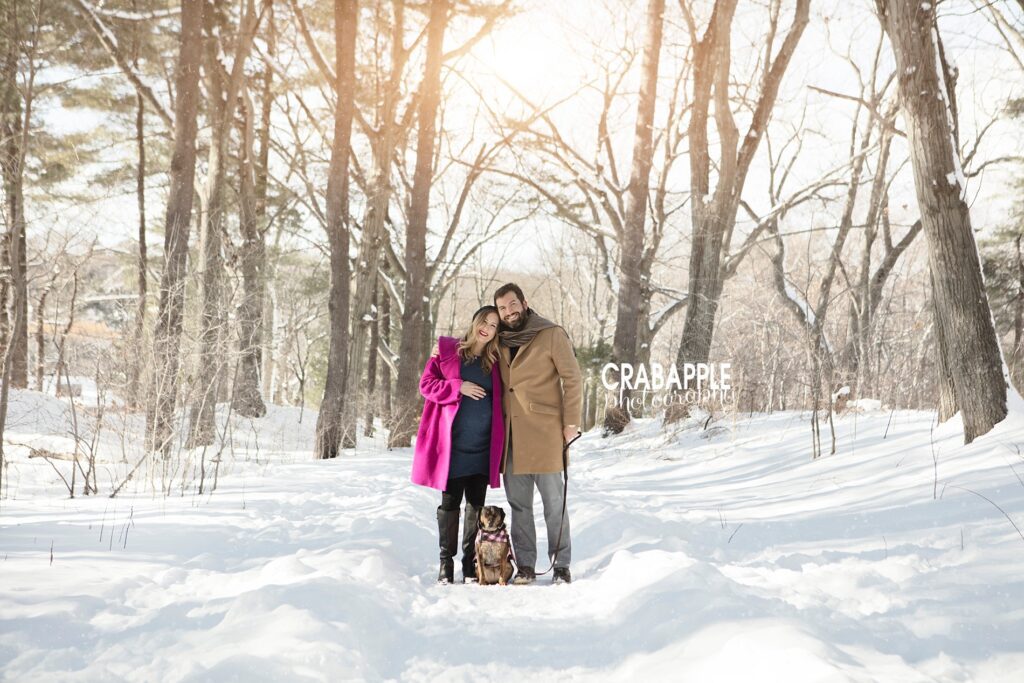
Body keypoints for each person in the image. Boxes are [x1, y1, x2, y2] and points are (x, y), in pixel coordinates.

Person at [493, 283, 583, 585]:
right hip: (512, 436)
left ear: (524, 302)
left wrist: (571, 423)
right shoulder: (499, 338)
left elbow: (572, 378)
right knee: (519, 506)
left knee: (554, 503)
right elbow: (470, 343)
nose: (509, 311)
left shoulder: (550, 333)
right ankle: (526, 565)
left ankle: (561, 564)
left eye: (512, 304)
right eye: (502, 308)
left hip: (546, 433)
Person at [411, 306, 505, 584]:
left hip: (483, 448)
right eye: (484, 321)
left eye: (494, 325)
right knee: (449, 506)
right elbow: (426, 385)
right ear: (475, 321)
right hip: (452, 449)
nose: (487, 328)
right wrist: (457, 387)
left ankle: (468, 561)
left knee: (476, 508)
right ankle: (445, 562)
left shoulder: (497, 361)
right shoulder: (448, 350)